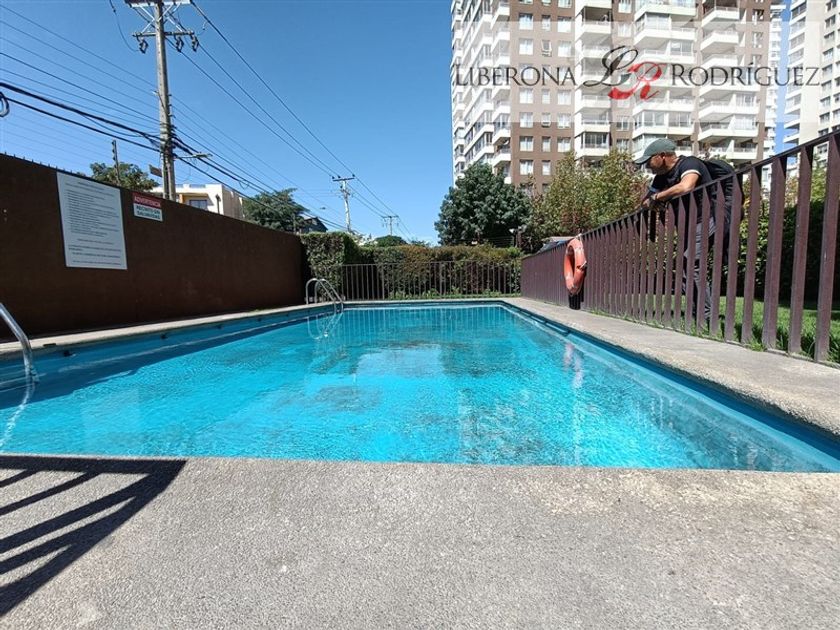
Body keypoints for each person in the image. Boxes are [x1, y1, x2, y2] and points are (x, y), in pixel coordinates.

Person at [634, 138, 733, 323]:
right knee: (686, 266)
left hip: (709, 218)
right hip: (690, 224)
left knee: (690, 262)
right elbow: (646, 202)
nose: (647, 166)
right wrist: (653, 200)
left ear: (662, 156)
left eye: (649, 161)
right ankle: (699, 312)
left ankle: (706, 316)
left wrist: (658, 197)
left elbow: (686, 186)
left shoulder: (689, 163)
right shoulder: (661, 177)